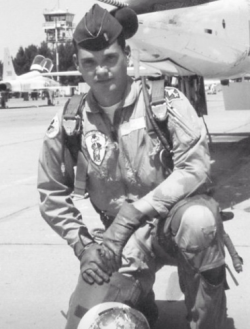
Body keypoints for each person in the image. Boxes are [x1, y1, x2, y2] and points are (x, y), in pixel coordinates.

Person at [37, 4, 228, 329]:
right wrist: (84, 246)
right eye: (90, 63)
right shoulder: (70, 122)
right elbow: (51, 194)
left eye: (110, 59)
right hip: (116, 242)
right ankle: (136, 297)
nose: (101, 71)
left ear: (126, 53)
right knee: (84, 322)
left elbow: (195, 168)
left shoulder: (165, 106)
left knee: (200, 222)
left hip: (175, 226)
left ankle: (207, 323)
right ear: (77, 65)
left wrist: (135, 212)